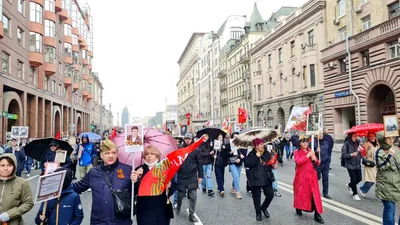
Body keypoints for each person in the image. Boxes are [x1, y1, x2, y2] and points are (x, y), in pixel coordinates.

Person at [72, 139, 133, 224]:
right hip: (99, 221)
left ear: (117, 154)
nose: (110, 156)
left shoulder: (128, 170)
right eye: (107, 153)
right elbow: (76, 188)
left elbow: (136, 192)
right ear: (101, 155)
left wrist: (137, 181)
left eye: (113, 153)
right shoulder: (93, 172)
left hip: (121, 221)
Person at [131, 146, 176, 225]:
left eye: (152, 153)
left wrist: (169, 186)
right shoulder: (139, 170)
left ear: (157, 155)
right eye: (146, 154)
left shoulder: (164, 168)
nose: (149, 156)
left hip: (160, 207)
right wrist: (135, 181)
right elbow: (133, 192)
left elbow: (172, 189)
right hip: (144, 207)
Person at [293, 137, 324, 224]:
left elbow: (317, 163)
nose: (305, 143)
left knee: (315, 196)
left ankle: (317, 214)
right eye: (303, 142)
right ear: (299, 144)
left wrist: (315, 159)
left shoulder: (311, 150)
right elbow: (298, 161)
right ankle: (298, 207)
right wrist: (307, 155)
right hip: (301, 178)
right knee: (300, 195)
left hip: (312, 178)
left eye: (306, 141)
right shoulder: (296, 152)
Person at [245, 138, 276, 221]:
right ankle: (258, 212)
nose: (263, 145)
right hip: (255, 178)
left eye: (263, 144)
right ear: (256, 146)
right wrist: (256, 156)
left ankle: (264, 207)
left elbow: (269, 162)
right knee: (256, 197)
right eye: (261, 144)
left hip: (266, 177)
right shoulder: (251, 154)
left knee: (270, 194)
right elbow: (247, 164)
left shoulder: (267, 153)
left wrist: (273, 166)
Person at [175, 132, 202, 222]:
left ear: (192, 139)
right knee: (180, 195)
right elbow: (174, 161)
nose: (187, 140)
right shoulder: (179, 148)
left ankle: (191, 214)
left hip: (192, 175)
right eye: (186, 138)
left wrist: (200, 176)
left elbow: (199, 163)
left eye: (189, 139)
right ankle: (178, 205)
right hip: (181, 175)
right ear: (184, 139)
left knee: (193, 196)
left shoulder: (196, 150)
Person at [0, 153, 34, 225]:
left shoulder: (22, 183)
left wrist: (10, 214)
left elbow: (29, 203)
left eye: (9, 165)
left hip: (13, 222)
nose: (5, 168)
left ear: (14, 166)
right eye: (2, 165)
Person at [375, 132, 400, 225]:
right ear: (382, 139)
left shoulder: (396, 149)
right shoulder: (379, 151)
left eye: (392, 138)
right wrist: (389, 155)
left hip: (397, 184)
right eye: (388, 138)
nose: (391, 140)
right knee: (390, 211)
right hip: (386, 186)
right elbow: (380, 166)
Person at [341, 132, 362, 200]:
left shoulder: (358, 143)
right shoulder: (346, 144)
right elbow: (343, 155)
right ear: (350, 137)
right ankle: (355, 194)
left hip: (357, 163)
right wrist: (351, 155)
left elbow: (360, 152)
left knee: (359, 178)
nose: (355, 138)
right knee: (353, 179)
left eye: (356, 136)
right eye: (353, 136)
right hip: (350, 164)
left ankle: (350, 185)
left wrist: (362, 152)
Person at [312, 133, 332, 199]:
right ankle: (312, 190)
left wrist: (328, 160)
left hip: (325, 163)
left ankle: (325, 193)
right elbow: (310, 152)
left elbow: (329, 152)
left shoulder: (326, 142)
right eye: (319, 134)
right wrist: (316, 151)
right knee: (317, 177)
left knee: (326, 178)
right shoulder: (313, 143)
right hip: (317, 163)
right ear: (316, 135)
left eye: (321, 134)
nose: (320, 135)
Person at [228, 134, 246, 200]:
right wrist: (230, 152)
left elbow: (244, 154)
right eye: (234, 136)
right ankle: (237, 192)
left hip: (239, 163)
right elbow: (226, 154)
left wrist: (241, 158)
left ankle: (233, 187)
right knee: (236, 176)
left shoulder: (242, 145)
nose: (236, 138)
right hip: (232, 162)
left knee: (237, 177)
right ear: (232, 137)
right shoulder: (230, 144)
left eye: (237, 136)